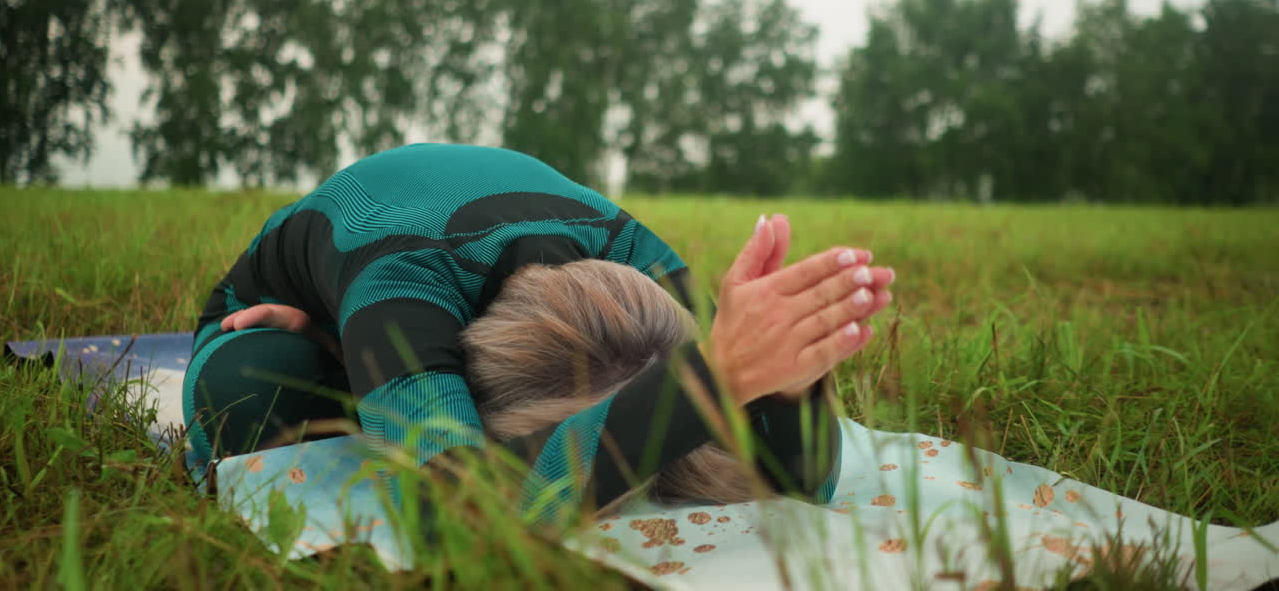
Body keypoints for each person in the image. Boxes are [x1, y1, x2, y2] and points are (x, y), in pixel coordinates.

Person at [184, 143, 895, 521]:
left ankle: (370, 373)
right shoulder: (402, 283)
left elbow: (792, 484)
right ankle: (350, 364)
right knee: (245, 391)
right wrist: (715, 382)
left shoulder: (647, 279)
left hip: (401, 304)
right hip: (292, 304)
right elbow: (456, 513)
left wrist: (788, 389)